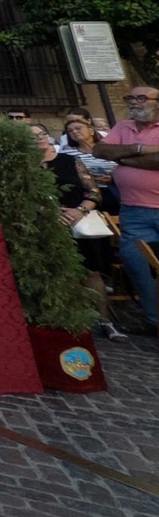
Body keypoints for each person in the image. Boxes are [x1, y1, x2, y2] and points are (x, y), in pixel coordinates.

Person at [30, 123, 125, 340]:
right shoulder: (24, 166)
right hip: (47, 224)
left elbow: (93, 191)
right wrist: (45, 212)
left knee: (91, 271)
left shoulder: (69, 160)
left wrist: (79, 210)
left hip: (79, 221)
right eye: (33, 136)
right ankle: (71, 317)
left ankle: (105, 321)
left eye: (42, 133)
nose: (39, 138)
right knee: (58, 272)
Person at [94, 86, 159, 336]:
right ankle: (154, 320)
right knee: (136, 265)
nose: (134, 102)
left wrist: (122, 157)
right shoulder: (123, 127)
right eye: (129, 98)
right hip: (133, 211)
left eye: (141, 98)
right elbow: (100, 151)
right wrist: (141, 150)